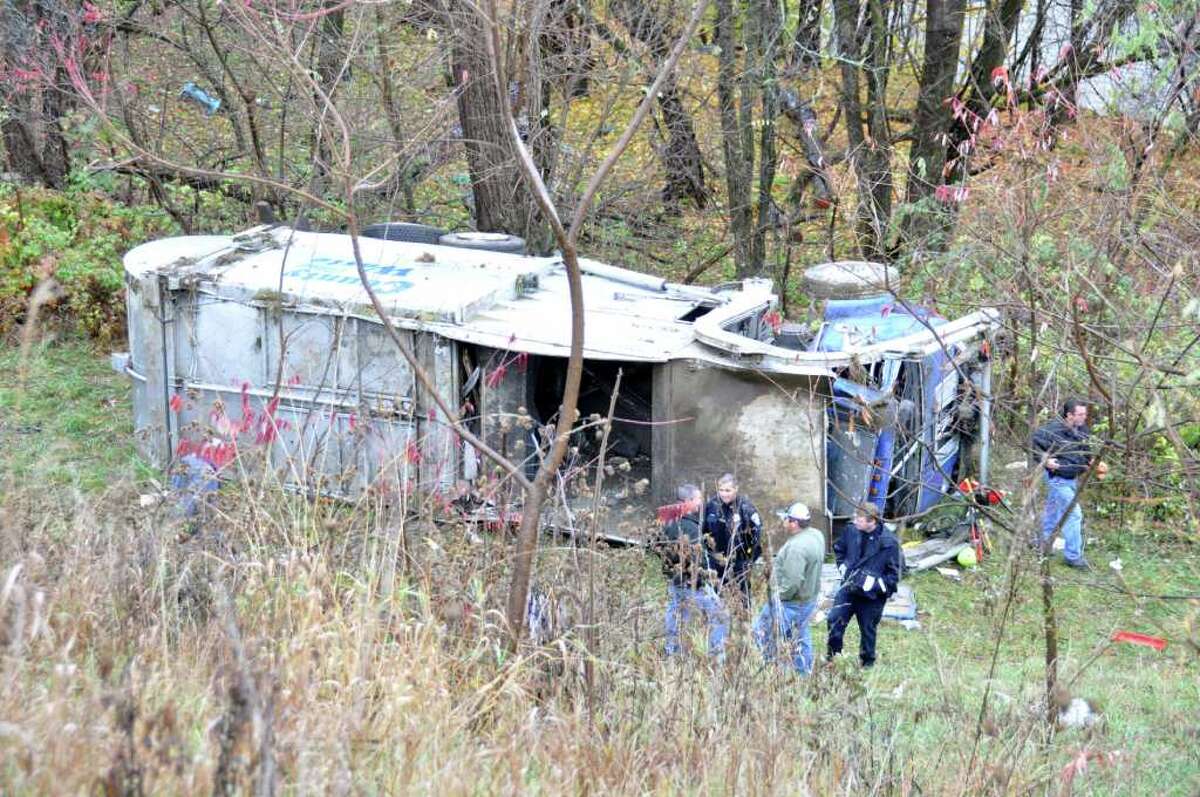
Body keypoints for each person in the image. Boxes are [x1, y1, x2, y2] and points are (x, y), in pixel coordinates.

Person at [653, 483, 728, 657]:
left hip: (674, 578)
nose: (701, 502)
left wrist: (671, 568)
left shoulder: (665, 518)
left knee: (677, 615)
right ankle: (717, 656)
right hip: (692, 582)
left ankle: (672, 652)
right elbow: (697, 559)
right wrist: (701, 581)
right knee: (720, 615)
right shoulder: (691, 527)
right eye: (698, 498)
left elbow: (656, 546)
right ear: (688, 501)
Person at [826, 503, 901, 668]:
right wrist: (844, 568)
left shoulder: (888, 543)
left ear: (872, 521)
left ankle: (867, 663)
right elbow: (839, 549)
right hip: (849, 588)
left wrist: (874, 583)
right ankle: (833, 656)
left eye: (859, 519)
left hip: (871, 597)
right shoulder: (851, 531)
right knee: (834, 620)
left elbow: (893, 577)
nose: (855, 521)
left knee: (867, 629)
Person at [754, 502, 825, 675]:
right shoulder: (816, 535)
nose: (783, 522)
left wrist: (778, 597)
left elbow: (792, 582)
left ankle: (773, 667)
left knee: (761, 631)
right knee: (800, 635)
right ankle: (803, 672)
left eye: (786, 519)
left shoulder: (796, 548)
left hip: (790, 602)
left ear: (794, 523)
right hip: (808, 598)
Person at [1031, 398, 1098, 569]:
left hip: (1072, 479)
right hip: (1058, 479)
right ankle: (1073, 556)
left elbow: (1086, 451)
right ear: (1069, 415)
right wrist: (1045, 460)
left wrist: (1093, 462)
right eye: (1080, 414)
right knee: (1073, 514)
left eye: (1085, 414)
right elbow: (1034, 444)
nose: (1084, 417)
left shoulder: (1082, 430)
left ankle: (1043, 543)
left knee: (1053, 511)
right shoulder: (1052, 430)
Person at [703, 474, 763, 609]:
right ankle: (719, 624)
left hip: (739, 562)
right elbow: (703, 531)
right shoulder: (711, 506)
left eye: (728, 490)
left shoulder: (746, 508)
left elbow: (758, 536)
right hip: (716, 561)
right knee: (717, 599)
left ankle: (743, 624)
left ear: (736, 489)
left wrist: (749, 559)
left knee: (742, 598)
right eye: (721, 490)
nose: (724, 494)